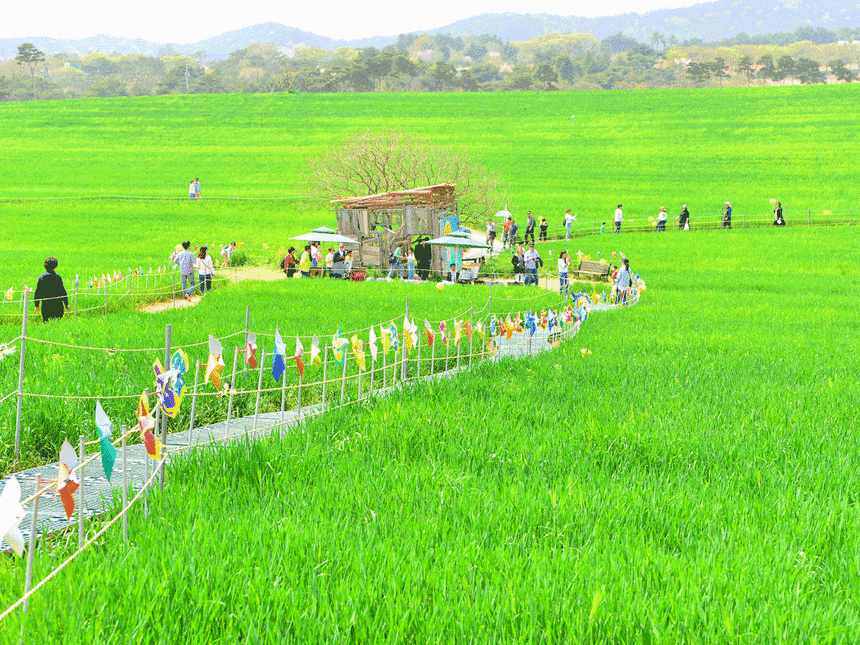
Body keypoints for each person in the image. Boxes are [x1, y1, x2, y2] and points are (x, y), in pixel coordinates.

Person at [34, 257, 70, 323]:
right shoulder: (58, 278)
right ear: (55, 267)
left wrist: (36, 305)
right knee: (57, 323)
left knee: (46, 323)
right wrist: (66, 304)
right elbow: (62, 292)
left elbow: (38, 292)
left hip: (46, 306)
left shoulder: (42, 278)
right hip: (57, 305)